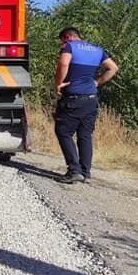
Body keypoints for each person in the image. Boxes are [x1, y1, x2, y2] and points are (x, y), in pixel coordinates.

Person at [53, 27, 118, 184]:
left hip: (73, 99)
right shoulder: (97, 50)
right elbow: (113, 68)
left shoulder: (69, 46)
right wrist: (96, 82)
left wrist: (58, 84)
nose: (62, 44)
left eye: (62, 40)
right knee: (85, 135)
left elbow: (63, 63)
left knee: (63, 132)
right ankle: (85, 172)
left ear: (67, 37)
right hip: (91, 99)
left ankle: (74, 170)